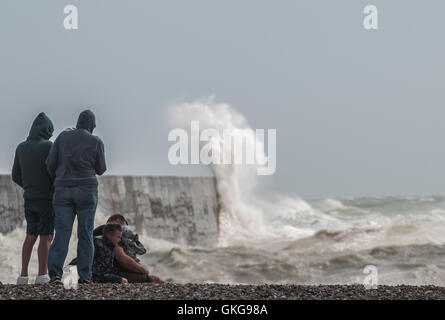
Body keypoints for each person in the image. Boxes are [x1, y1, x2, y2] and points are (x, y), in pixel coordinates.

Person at [46, 110, 106, 284]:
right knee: (86, 234)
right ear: (91, 125)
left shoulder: (63, 137)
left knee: (62, 233)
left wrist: (58, 179)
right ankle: (84, 276)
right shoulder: (96, 141)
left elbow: (50, 163)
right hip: (87, 190)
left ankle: (56, 275)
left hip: (62, 189)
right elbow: (101, 169)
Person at [12, 112, 55, 285]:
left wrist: (29, 187)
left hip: (29, 199)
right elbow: (54, 172)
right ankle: (42, 275)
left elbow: (16, 175)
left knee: (30, 235)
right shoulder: (49, 146)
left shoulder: (21, 147)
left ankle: (22, 276)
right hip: (47, 199)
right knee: (46, 236)